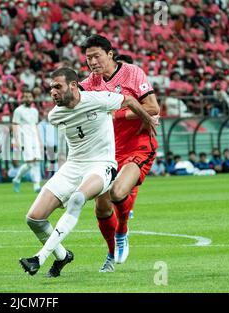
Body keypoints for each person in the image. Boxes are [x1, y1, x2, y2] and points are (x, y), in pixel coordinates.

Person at [19, 68, 155, 277]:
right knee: (34, 219)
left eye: (58, 87)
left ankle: (39, 257)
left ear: (73, 85)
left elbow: (129, 100)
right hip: (74, 165)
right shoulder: (55, 115)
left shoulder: (99, 99)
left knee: (77, 200)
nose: (53, 92)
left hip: (102, 165)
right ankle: (63, 256)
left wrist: (146, 118)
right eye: (51, 88)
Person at [79, 35, 160, 272]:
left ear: (110, 54)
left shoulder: (133, 73)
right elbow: (77, 105)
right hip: (106, 152)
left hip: (138, 146)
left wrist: (116, 114)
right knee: (101, 208)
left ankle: (122, 231)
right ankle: (111, 253)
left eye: (96, 56)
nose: (92, 61)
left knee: (117, 192)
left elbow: (153, 108)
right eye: (88, 58)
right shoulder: (88, 84)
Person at [11, 89, 43, 193]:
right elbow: (15, 126)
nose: (28, 98)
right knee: (29, 163)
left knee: (37, 162)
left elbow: (36, 126)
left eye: (30, 96)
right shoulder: (18, 111)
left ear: (32, 98)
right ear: (23, 98)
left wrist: (40, 140)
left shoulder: (35, 111)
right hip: (25, 139)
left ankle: (37, 186)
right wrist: (17, 141)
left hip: (35, 139)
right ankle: (17, 179)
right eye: (26, 97)